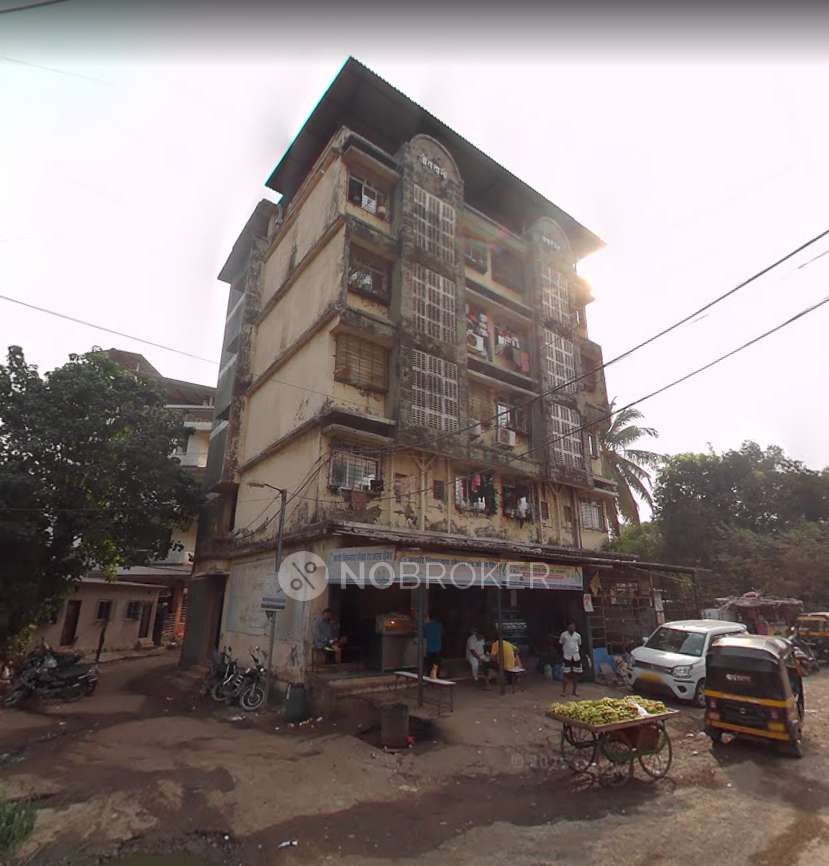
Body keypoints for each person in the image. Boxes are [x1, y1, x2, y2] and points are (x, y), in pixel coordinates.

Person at [559, 621, 583, 696]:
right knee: (566, 674)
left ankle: (574, 691)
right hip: (567, 656)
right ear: (568, 627)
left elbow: (579, 645)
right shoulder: (563, 635)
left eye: (573, 627)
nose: (572, 628)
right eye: (570, 627)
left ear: (575, 627)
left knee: (576, 674)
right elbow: (561, 643)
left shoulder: (578, 635)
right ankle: (564, 691)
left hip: (576, 657)